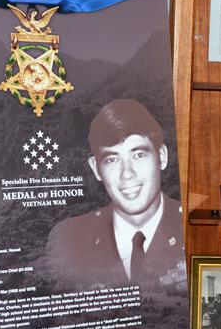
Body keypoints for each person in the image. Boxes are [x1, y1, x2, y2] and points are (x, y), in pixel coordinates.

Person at [46, 99, 185, 290]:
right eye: (112, 159)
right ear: (96, 168)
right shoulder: (68, 239)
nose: (127, 174)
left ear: (162, 156)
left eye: (138, 155)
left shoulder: (193, 228)